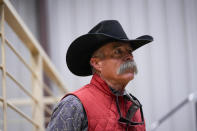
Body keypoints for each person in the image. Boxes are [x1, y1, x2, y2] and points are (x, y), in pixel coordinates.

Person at [47, 20, 153, 131]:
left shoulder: (135, 111)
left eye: (130, 51)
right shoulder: (73, 105)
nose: (129, 57)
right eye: (118, 52)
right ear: (97, 64)